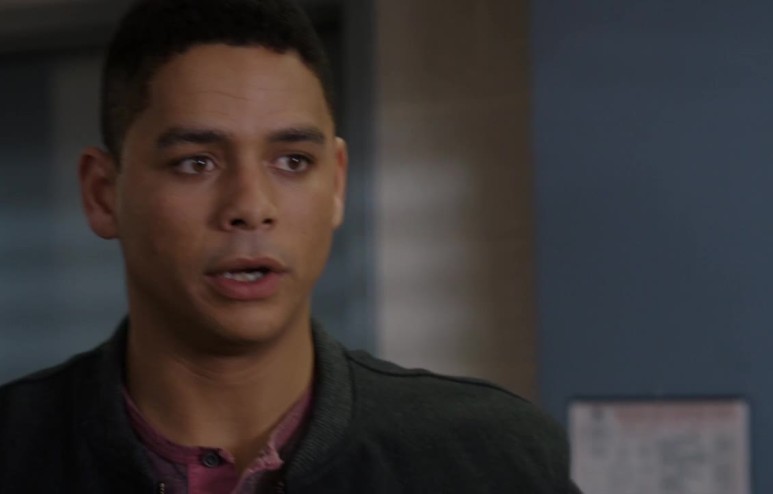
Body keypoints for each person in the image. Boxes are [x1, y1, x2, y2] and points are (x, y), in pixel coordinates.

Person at [0, 0, 581, 492]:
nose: (252, 206)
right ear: (103, 194)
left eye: (293, 161)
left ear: (337, 184)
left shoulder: (489, 460)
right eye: (196, 163)